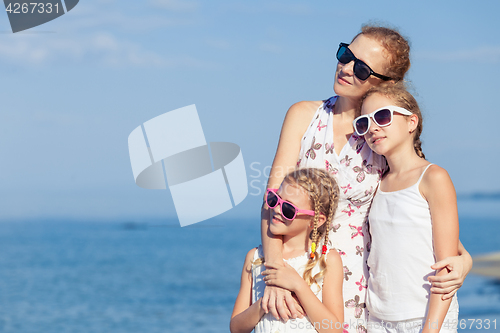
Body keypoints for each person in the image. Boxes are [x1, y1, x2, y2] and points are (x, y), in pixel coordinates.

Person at [260, 25, 472, 332]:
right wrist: (276, 272)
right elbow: (271, 200)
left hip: (352, 284)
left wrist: (465, 262)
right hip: (288, 269)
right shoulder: (304, 115)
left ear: (387, 83)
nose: (345, 68)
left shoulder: (381, 134)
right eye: (346, 55)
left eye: (361, 68)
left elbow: (423, 215)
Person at [357, 83, 459, 333]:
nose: (373, 128)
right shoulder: (376, 183)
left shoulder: (433, 177)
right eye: (364, 123)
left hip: (423, 317)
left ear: (411, 122)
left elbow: (446, 265)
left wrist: (430, 329)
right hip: (378, 319)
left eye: (382, 116)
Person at [230, 168, 344, 333]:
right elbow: (236, 327)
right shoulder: (255, 258)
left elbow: (334, 329)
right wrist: (264, 304)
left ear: (315, 220)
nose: (276, 209)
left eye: (288, 209)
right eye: (274, 199)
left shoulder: (327, 260)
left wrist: (298, 286)